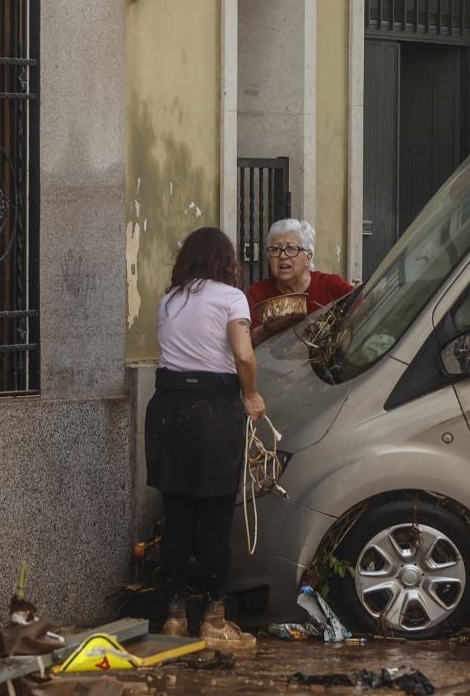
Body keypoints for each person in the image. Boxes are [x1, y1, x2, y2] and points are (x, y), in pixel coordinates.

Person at [147, 227, 267, 645]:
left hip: (168, 408)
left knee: (177, 518)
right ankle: (215, 617)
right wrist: (250, 393)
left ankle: (174, 616)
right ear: (226, 259)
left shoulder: (169, 299)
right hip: (213, 411)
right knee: (215, 518)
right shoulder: (232, 297)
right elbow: (243, 353)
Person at [244, 219, 354, 345]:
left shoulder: (332, 286)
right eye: (275, 249)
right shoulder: (258, 293)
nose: (282, 256)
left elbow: (362, 308)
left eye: (291, 248)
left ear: (308, 257)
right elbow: (248, 341)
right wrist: (272, 326)